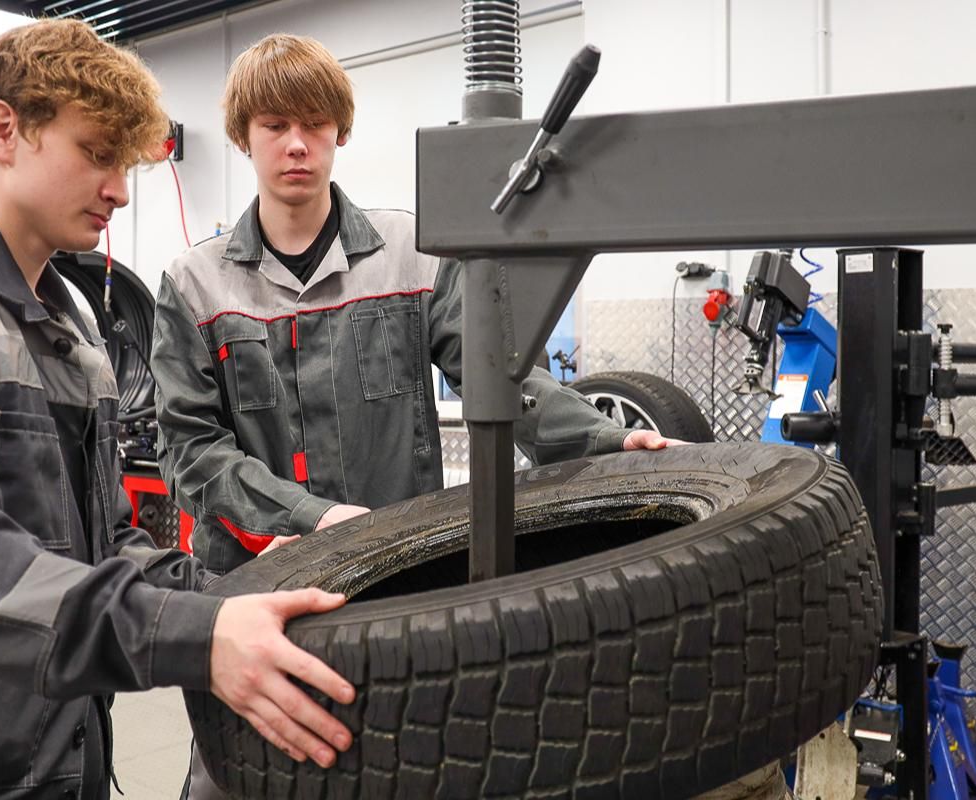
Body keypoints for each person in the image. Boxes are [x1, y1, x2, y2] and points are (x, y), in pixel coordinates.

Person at [0, 20, 355, 800]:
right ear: (3, 131)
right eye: (97, 154)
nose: (120, 188)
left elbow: (106, 546)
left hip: (63, 755)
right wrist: (196, 639)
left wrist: (243, 594)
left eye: (124, 164)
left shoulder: (70, 331)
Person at [153, 33, 678, 577]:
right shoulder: (194, 282)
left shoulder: (413, 253)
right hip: (253, 578)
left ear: (342, 130)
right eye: (275, 125)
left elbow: (501, 380)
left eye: (314, 123)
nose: (297, 144)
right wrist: (308, 516)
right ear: (243, 136)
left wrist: (607, 439)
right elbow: (189, 449)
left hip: (398, 569)